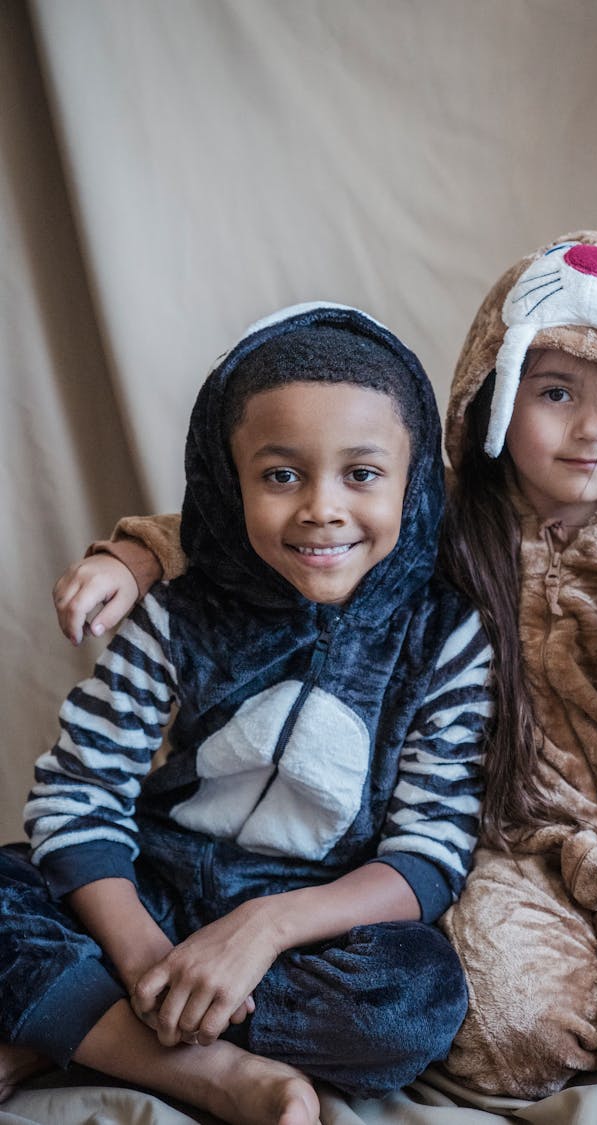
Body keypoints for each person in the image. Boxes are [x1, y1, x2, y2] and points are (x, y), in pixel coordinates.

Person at [53, 233, 597, 1121]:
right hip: (504, 845)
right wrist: (135, 554)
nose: (591, 427)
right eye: (554, 392)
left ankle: (77, 1016)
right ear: (496, 394)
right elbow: (278, 517)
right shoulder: (445, 515)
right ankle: (154, 1028)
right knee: (504, 1040)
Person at [0, 302, 494, 1125]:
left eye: (362, 474)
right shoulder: (178, 613)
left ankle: (74, 1024)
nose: (322, 508)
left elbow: (430, 853)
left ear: (415, 485)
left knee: (417, 999)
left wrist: (264, 927)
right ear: (231, 483)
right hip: (150, 890)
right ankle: (204, 1069)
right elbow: (76, 800)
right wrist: (150, 956)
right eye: (281, 475)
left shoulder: (445, 638)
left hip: (311, 927)